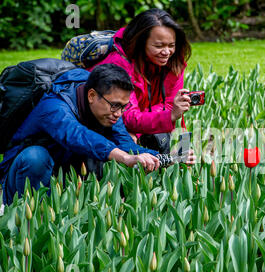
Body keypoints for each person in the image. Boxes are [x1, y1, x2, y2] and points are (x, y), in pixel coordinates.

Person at [0, 63, 194, 206]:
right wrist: (124, 157)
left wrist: (171, 158)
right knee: (36, 156)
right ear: (92, 95)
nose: (119, 114)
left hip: (61, 177)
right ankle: (29, 216)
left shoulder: (107, 111)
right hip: (22, 177)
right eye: (115, 105)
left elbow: (127, 145)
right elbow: (77, 136)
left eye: (123, 107)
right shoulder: (54, 107)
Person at [88, 8, 193, 151]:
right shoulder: (118, 65)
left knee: (174, 149)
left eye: (171, 45)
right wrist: (168, 116)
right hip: (99, 123)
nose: (166, 52)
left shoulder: (174, 63)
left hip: (135, 124)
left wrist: (139, 128)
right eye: (158, 46)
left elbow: (167, 104)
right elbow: (125, 115)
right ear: (140, 42)